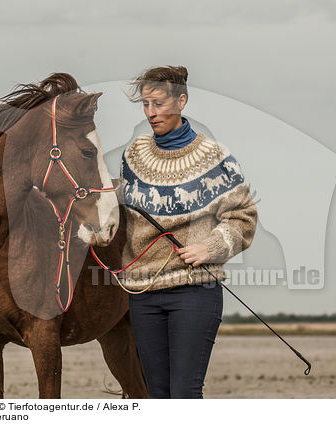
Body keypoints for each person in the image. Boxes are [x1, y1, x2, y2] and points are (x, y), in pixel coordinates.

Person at [118, 65, 258, 399]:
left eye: (159, 103)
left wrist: (210, 248)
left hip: (194, 291)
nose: (151, 113)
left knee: (183, 394)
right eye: (146, 104)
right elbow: (125, 212)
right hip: (142, 294)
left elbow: (244, 218)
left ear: (181, 100)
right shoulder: (133, 155)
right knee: (156, 394)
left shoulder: (214, 158)